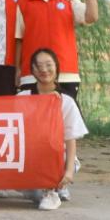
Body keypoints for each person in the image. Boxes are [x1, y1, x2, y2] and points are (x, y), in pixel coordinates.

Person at [14, 0, 99, 99]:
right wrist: (17, 70)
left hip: (66, 74)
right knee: (33, 115)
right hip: (32, 74)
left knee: (66, 114)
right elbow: (18, 39)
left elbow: (91, 17)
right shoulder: (23, 3)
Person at [17, 48, 86, 210]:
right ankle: (54, 188)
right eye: (39, 66)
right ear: (32, 70)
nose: (44, 70)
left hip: (57, 158)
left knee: (43, 185)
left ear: (56, 67)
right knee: (30, 192)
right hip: (30, 157)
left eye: (48, 65)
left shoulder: (66, 101)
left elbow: (70, 139)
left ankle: (53, 191)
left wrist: (69, 171)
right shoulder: (22, 98)